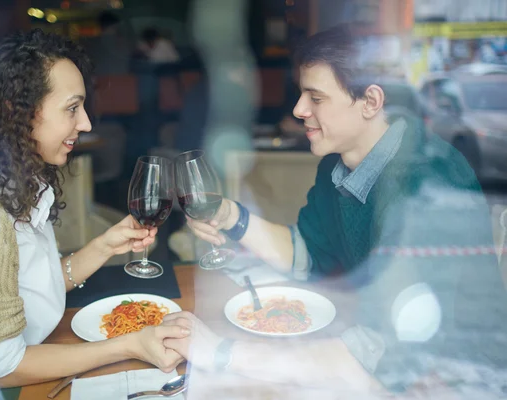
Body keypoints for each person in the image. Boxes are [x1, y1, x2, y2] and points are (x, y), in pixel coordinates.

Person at [164, 25, 507, 397]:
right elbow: (308, 252)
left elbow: (367, 350)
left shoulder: (427, 185)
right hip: (379, 358)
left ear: (371, 102)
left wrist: (220, 352)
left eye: (316, 97)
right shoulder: (338, 165)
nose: (298, 109)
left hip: (452, 379)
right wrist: (232, 217)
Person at [0, 30, 189, 390]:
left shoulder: (19, 186)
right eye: (72, 108)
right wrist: (127, 345)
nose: (86, 123)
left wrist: (104, 245)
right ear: (18, 112)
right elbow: (0, 366)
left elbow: (28, 287)